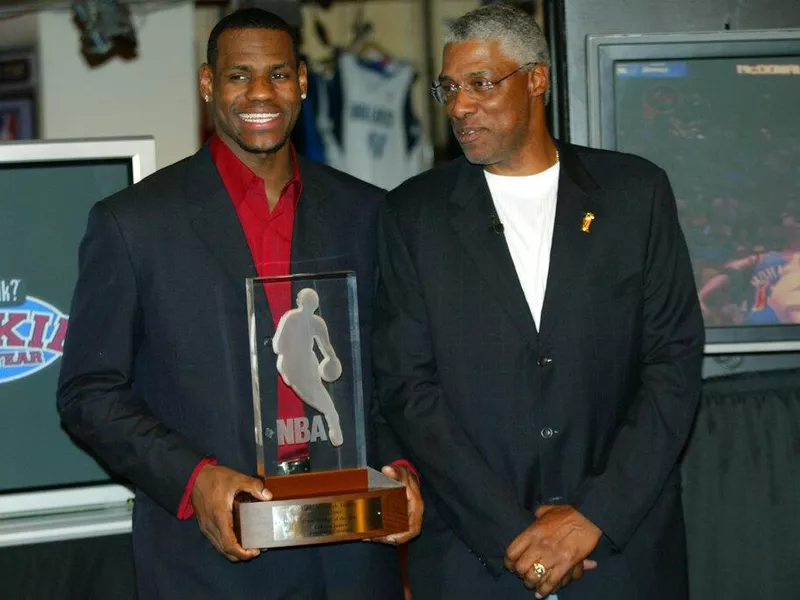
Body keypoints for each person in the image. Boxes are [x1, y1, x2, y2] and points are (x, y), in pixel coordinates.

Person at [56, 8, 421, 599]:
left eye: (278, 74)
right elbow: (88, 393)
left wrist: (401, 466)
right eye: (238, 75)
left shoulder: (369, 214)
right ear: (208, 84)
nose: (259, 93)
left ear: (303, 81)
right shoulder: (134, 224)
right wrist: (195, 479)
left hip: (352, 557)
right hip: (209, 561)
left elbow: (398, 371)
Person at [373, 4, 704, 600]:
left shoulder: (635, 195)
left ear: (537, 79)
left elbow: (673, 367)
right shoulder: (412, 215)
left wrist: (589, 519)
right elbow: (406, 387)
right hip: (477, 559)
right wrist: (515, 533)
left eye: (481, 83)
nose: (459, 106)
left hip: (620, 552)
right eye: (450, 88)